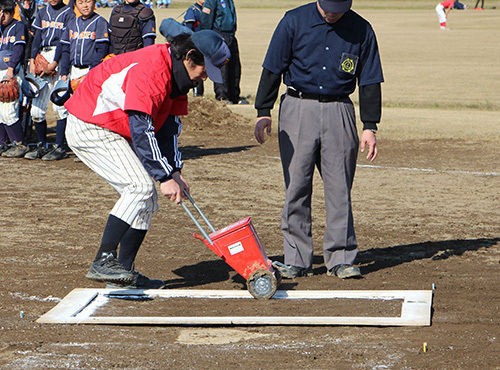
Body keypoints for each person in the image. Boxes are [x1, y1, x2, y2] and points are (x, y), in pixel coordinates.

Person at [63, 29, 230, 289]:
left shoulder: (178, 77)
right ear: (189, 57)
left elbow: (168, 128)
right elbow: (142, 127)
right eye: (205, 68)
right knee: (139, 187)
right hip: (91, 124)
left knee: (148, 199)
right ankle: (104, 259)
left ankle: (123, 272)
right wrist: (162, 176)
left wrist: (174, 171)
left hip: (112, 127)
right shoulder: (153, 68)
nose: (206, 75)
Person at [254, 0, 384, 280]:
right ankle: (297, 258)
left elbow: (370, 79)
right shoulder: (293, 21)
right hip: (298, 107)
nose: (333, 12)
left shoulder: (362, 29)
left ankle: (341, 257)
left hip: (340, 109)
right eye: (329, 7)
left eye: (339, 7)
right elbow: (273, 67)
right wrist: (263, 111)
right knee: (296, 186)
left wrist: (370, 125)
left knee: (339, 188)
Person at [23, 0, 74, 160]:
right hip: (41, 56)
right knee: (36, 110)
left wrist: (55, 63)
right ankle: (42, 144)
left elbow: (64, 42)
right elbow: (37, 37)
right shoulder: (42, 11)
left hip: (59, 59)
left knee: (60, 107)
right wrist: (32, 59)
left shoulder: (68, 13)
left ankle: (59, 146)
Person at [199, 0, 247, 104]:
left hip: (231, 35)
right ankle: (222, 96)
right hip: (218, 35)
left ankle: (234, 96)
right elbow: (206, 21)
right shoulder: (211, 1)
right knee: (222, 68)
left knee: (235, 67)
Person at [0, 0, 28, 157]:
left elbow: (18, 49)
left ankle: (19, 143)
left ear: (12, 13)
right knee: (0, 112)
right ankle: (2, 143)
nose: (3, 16)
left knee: (9, 109)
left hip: (11, 73)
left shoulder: (18, 26)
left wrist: (11, 69)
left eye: (6, 13)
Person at [183, 0, 204, 97]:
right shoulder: (192, 11)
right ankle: (197, 94)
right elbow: (188, 29)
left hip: (203, 45)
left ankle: (200, 94)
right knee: (196, 70)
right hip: (194, 45)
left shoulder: (207, 10)